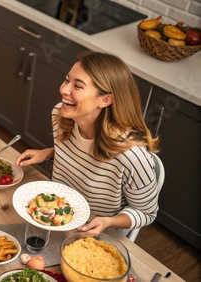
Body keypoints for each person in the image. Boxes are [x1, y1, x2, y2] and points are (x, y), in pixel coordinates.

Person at [15, 51, 160, 236]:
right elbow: (84, 154)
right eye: (67, 80)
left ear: (105, 100)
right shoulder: (61, 116)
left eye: (78, 86)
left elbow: (147, 213)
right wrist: (50, 152)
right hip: (54, 219)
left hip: (94, 233)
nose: (64, 90)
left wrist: (109, 221)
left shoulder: (133, 157)